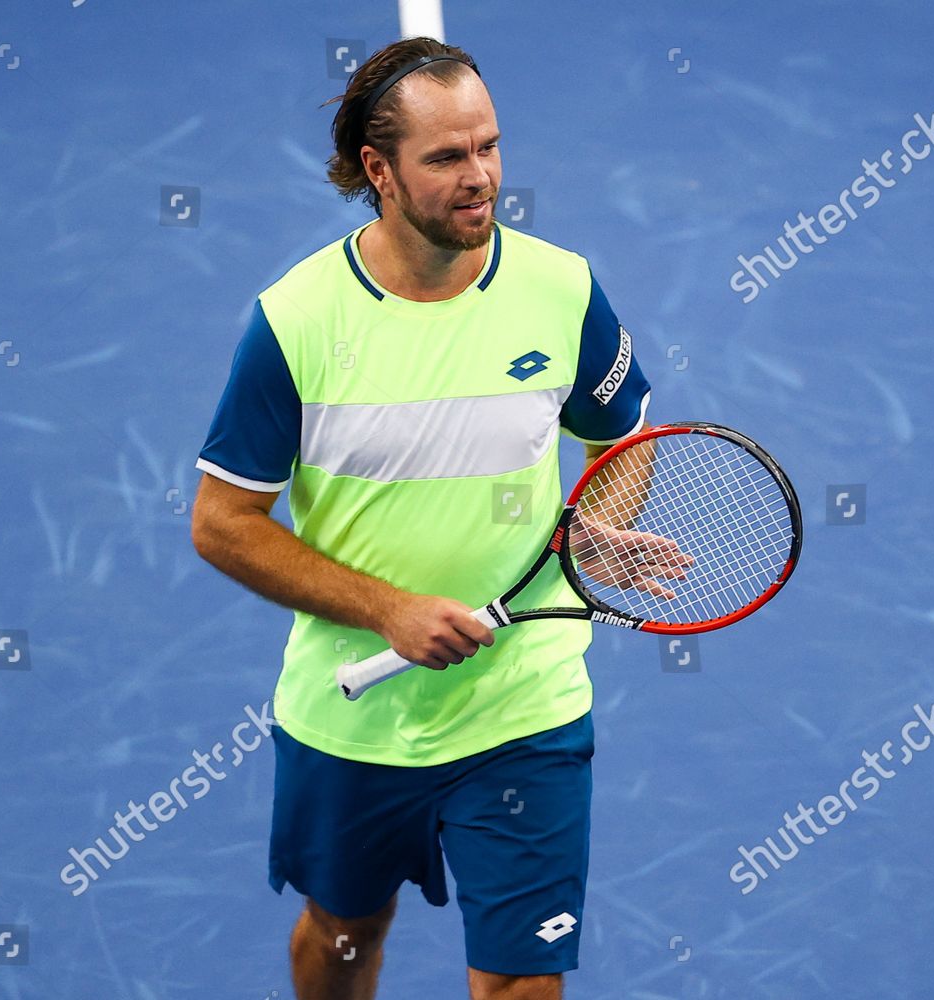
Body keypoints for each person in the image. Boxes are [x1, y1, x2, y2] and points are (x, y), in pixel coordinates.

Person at [190, 36, 653, 1000]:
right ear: (378, 171)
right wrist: (388, 608)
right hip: (354, 723)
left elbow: (625, 441)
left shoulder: (561, 288)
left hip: (525, 703)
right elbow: (224, 521)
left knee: (524, 986)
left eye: (489, 146)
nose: (480, 177)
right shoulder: (297, 322)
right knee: (343, 938)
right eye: (446, 158)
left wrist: (592, 524)